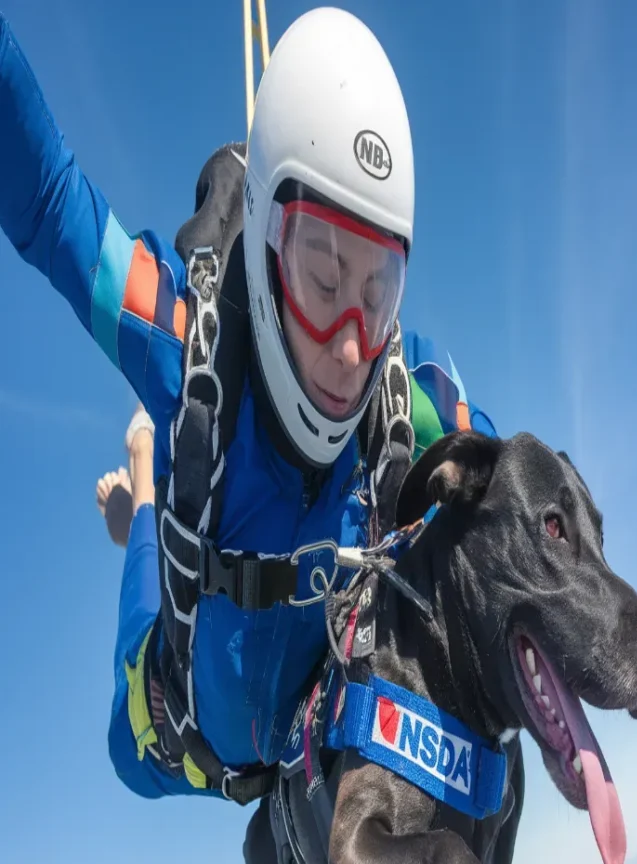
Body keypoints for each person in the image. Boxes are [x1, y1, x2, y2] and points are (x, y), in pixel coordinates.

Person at [0, 7, 496, 804]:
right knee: (124, 751)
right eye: (322, 285)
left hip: (296, 746)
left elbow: (508, 482)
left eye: (376, 295)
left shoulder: (408, 388)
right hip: (173, 733)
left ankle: (148, 505)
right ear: (265, 255)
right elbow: (50, 203)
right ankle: (145, 490)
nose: (348, 347)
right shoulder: (183, 340)